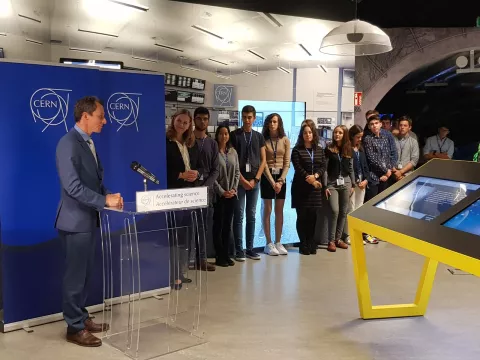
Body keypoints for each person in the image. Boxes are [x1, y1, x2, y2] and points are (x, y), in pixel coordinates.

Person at [55, 96, 123, 347]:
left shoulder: (88, 142)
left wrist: (109, 196)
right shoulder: (68, 143)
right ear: (85, 116)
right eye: (100, 116)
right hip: (74, 223)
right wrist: (104, 201)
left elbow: (92, 182)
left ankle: (81, 318)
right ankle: (74, 328)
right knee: (75, 278)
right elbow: (72, 187)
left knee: (84, 276)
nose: (105, 121)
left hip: (88, 221)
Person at [165, 109, 199, 290]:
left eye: (186, 123)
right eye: (180, 121)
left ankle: (180, 272)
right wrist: (181, 175)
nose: (182, 125)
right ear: (173, 121)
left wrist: (195, 174)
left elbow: (197, 166)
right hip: (173, 194)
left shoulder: (189, 144)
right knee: (174, 237)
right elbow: (163, 171)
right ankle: (172, 275)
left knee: (184, 236)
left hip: (188, 195)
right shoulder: (166, 143)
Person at [230, 105, 267, 261]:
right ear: (241, 117)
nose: (247, 120)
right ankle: (239, 250)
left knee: (251, 215)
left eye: (249, 117)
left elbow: (264, 160)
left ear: (254, 118)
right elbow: (231, 161)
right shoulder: (234, 135)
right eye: (244, 117)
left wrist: (256, 179)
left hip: (255, 182)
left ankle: (250, 249)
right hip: (239, 182)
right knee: (238, 216)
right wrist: (243, 180)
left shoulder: (259, 137)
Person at [291, 119, 326, 255]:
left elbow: (323, 166)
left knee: (313, 217)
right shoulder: (297, 150)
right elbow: (298, 168)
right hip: (301, 188)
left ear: (314, 134)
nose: (308, 135)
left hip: (315, 189)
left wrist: (316, 176)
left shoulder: (319, 150)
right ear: (302, 134)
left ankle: (311, 242)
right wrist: (311, 180)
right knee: (302, 217)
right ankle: (303, 243)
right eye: (305, 132)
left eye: (310, 132)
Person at [193, 107, 219, 272]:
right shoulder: (188, 141)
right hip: (188, 191)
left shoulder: (212, 143)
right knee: (188, 226)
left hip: (206, 192)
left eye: (205, 119)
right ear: (194, 120)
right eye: (199, 118)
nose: (202, 121)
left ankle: (201, 260)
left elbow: (216, 170)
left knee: (203, 227)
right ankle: (186, 260)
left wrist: (205, 186)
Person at [363, 114, 396, 243]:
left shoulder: (386, 137)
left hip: (386, 177)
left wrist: (389, 172)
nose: (374, 126)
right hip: (373, 177)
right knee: (371, 205)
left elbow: (392, 155)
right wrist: (385, 171)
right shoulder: (367, 139)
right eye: (371, 124)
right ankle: (368, 233)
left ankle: (378, 231)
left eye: (376, 123)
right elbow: (372, 159)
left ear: (381, 124)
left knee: (382, 206)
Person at [261, 113, 290, 256]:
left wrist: (281, 180)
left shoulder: (285, 140)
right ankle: (268, 243)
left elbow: (286, 162)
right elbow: (264, 163)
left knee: (279, 210)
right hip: (267, 178)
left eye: (275, 121)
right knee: (268, 209)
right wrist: (273, 182)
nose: (272, 124)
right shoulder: (263, 140)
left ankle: (278, 242)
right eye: (270, 122)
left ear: (279, 124)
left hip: (281, 179)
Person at [323, 125, 354, 252]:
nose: (337, 135)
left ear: (344, 134)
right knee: (334, 210)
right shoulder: (329, 149)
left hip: (346, 182)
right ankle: (330, 240)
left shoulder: (348, 149)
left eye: (340, 133)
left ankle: (338, 239)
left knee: (343, 211)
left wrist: (352, 184)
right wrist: (325, 185)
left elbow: (351, 168)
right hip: (332, 182)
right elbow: (325, 168)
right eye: (335, 132)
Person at [213, 125, 240, 267]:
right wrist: (222, 191)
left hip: (232, 195)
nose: (224, 136)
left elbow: (237, 172)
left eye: (226, 134)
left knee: (228, 226)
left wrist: (234, 189)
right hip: (219, 196)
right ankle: (219, 255)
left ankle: (226, 254)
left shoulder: (233, 152)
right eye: (221, 134)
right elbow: (213, 176)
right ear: (217, 135)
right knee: (219, 225)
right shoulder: (214, 152)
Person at [343, 125, 371, 245]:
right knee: (351, 209)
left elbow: (366, 167)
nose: (360, 139)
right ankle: (348, 235)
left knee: (359, 210)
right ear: (352, 136)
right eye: (358, 137)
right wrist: (353, 183)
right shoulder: (347, 149)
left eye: (361, 137)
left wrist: (366, 180)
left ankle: (357, 234)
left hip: (362, 183)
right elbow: (347, 168)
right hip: (352, 184)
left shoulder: (361, 149)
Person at [392, 116, 419, 181]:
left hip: (407, 175)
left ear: (409, 127)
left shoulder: (413, 141)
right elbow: (388, 156)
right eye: (401, 125)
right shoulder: (392, 139)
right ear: (398, 126)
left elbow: (414, 160)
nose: (402, 127)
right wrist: (395, 171)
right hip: (393, 173)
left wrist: (401, 172)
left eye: (405, 125)